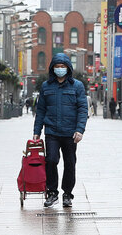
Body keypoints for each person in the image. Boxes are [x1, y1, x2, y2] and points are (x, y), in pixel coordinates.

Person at [33, 53, 88, 208]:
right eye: (57, 67)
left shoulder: (77, 86)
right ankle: (52, 192)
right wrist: (37, 131)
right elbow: (41, 110)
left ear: (68, 68)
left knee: (70, 163)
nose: (60, 69)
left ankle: (67, 194)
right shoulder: (46, 86)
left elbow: (83, 109)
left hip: (71, 133)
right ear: (52, 68)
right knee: (51, 160)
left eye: (63, 66)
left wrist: (80, 129)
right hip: (52, 132)